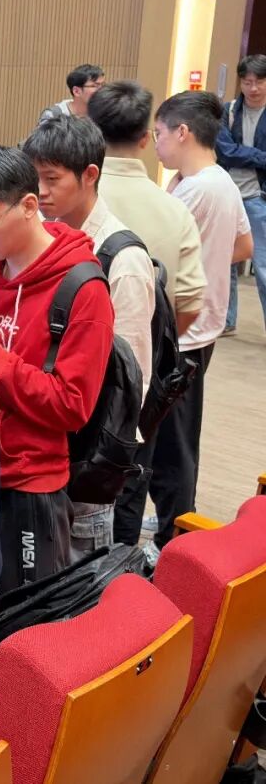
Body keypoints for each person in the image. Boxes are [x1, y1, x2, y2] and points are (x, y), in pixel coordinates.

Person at [0, 145, 114, 592]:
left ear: (27, 205)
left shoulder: (82, 288)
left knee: (24, 619)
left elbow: (72, 405)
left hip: (29, 486)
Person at [22, 115, 156, 559]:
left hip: (83, 458)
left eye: (51, 179)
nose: (40, 192)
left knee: (78, 577)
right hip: (41, 446)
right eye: (34, 179)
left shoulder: (122, 258)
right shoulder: (38, 242)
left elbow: (130, 381)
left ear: (90, 175)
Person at [87, 80, 208, 549]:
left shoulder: (70, 201)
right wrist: (153, 347)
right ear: (144, 138)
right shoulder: (173, 210)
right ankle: (120, 570)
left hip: (72, 382)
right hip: (140, 385)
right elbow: (190, 304)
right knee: (130, 478)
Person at [149, 91, 253, 557]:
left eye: (159, 133)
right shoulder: (218, 181)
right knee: (176, 434)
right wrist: (207, 263)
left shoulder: (198, 189)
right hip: (199, 327)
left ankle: (171, 537)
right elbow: (243, 247)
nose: (155, 143)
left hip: (184, 331)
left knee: (172, 441)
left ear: (182, 132)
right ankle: (172, 519)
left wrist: (196, 267)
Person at [216, 54, 266, 335]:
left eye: (259, 81)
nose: (253, 88)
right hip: (230, 194)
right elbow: (225, 151)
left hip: (259, 197)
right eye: (247, 82)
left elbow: (234, 152)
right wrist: (259, 156)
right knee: (226, 261)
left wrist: (242, 154)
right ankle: (226, 320)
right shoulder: (230, 110)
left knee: (263, 266)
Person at [38, 64, 105, 123]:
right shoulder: (53, 116)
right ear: (76, 91)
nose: (102, 90)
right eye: (95, 86)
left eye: (103, 85)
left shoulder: (103, 114)